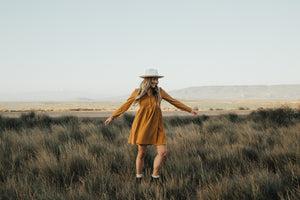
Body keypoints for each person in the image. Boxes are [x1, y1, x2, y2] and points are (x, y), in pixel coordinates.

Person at [105, 68, 198, 183]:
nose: (156, 81)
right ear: (147, 80)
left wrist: (189, 110)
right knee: (141, 153)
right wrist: (112, 117)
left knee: (163, 153)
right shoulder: (137, 92)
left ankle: (154, 178)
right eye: (154, 79)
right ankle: (138, 178)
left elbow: (174, 101)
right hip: (142, 124)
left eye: (157, 79)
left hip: (157, 125)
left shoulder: (160, 91)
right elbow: (126, 105)